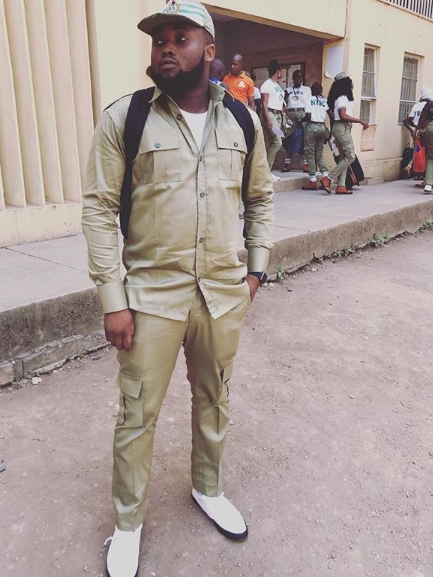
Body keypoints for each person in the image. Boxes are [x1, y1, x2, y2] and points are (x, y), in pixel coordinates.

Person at [81, 2, 275, 576]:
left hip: (221, 293)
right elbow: (98, 210)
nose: (166, 47)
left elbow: (260, 198)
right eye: (159, 39)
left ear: (209, 51)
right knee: (136, 413)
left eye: (180, 37)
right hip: (151, 299)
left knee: (215, 397)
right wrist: (113, 299)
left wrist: (256, 271)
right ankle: (128, 524)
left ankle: (207, 488)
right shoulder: (127, 118)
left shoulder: (241, 119)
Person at [319, 72, 369, 195]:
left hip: (341, 128)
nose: (351, 83)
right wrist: (360, 121)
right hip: (342, 127)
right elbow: (343, 115)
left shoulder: (341, 97)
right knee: (350, 156)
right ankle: (328, 179)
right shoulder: (342, 98)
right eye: (349, 81)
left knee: (344, 157)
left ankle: (341, 186)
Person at [301, 82, 330, 190]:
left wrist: (300, 121)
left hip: (312, 127)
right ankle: (325, 177)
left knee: (310, 154)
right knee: (319, 154)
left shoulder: (309, 100)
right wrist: (330, 132)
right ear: (321, 91)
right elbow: (331, 115)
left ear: (312, 91)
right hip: (322, 127)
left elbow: (308, 116)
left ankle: (312, 181)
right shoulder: (324, 101)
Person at [282, 70, 311, 172]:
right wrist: (285, 98)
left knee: (303, 139)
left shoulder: (306, 89)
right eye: (297, 77)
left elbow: (309, 103)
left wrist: (308, 115)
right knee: (288, 138)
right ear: (293, 78)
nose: (299, 79)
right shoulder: (287, 90)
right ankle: (287, 164)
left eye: (300, 77)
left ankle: (305, 164)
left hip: (302, 114)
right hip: (290, 114)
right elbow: (283, 104)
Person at [402, 87, 433, 182]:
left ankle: (413, 169)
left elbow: (407, 121)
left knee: (417, 151)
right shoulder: (429, 106)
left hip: (417, 133)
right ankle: (425, 177)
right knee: (428, 155)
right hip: (427, 130)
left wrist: (413, 130)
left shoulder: (416, 106)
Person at [260, 59, 285, 176]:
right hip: (270, 115)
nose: (282, 73)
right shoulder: (267, 85)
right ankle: (266, 171)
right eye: (281, 71)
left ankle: (268, 172)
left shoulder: (277, 85)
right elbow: (264, 103)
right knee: (277, 142)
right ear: (278, 72)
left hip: (278, 116)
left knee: (274, 142)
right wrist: (268, 119)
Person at [416, 93, 433, 194]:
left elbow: (423, 115)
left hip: (430, 128)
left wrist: (418, 128)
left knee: (431, 157)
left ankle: (428, 184)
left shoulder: (430, 103)